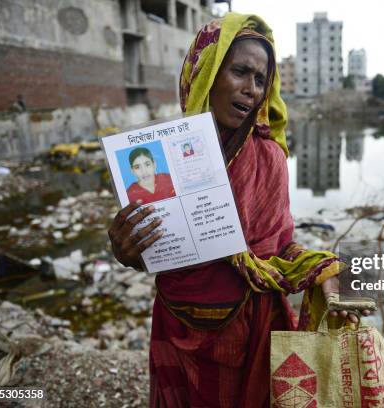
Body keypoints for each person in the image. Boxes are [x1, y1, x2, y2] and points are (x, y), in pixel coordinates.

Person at [108, 13, 370, 407]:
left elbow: (279, 248)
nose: (251, 89)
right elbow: (157, 243)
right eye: (240, 72)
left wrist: (324, 273)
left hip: (252, 330)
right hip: (179, 321)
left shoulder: (268, 158)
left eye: (261, 79)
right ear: (206, 73)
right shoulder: (158, 157)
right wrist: (128, 250)